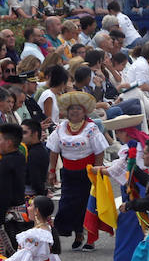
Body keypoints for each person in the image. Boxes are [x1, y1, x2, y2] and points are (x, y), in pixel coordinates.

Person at [45, 92, 108, 252]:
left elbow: (99, 150)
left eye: (78, 109)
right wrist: (52, 170)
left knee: (87, 207)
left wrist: (97, 171)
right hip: (68, 173)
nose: (74, 112)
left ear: (84, 111)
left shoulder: (91, 128)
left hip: (87, 174)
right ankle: (76, 232)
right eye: (71, 109)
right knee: (67, 205)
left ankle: (88, 239)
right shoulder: (60, 128)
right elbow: (54, 150)